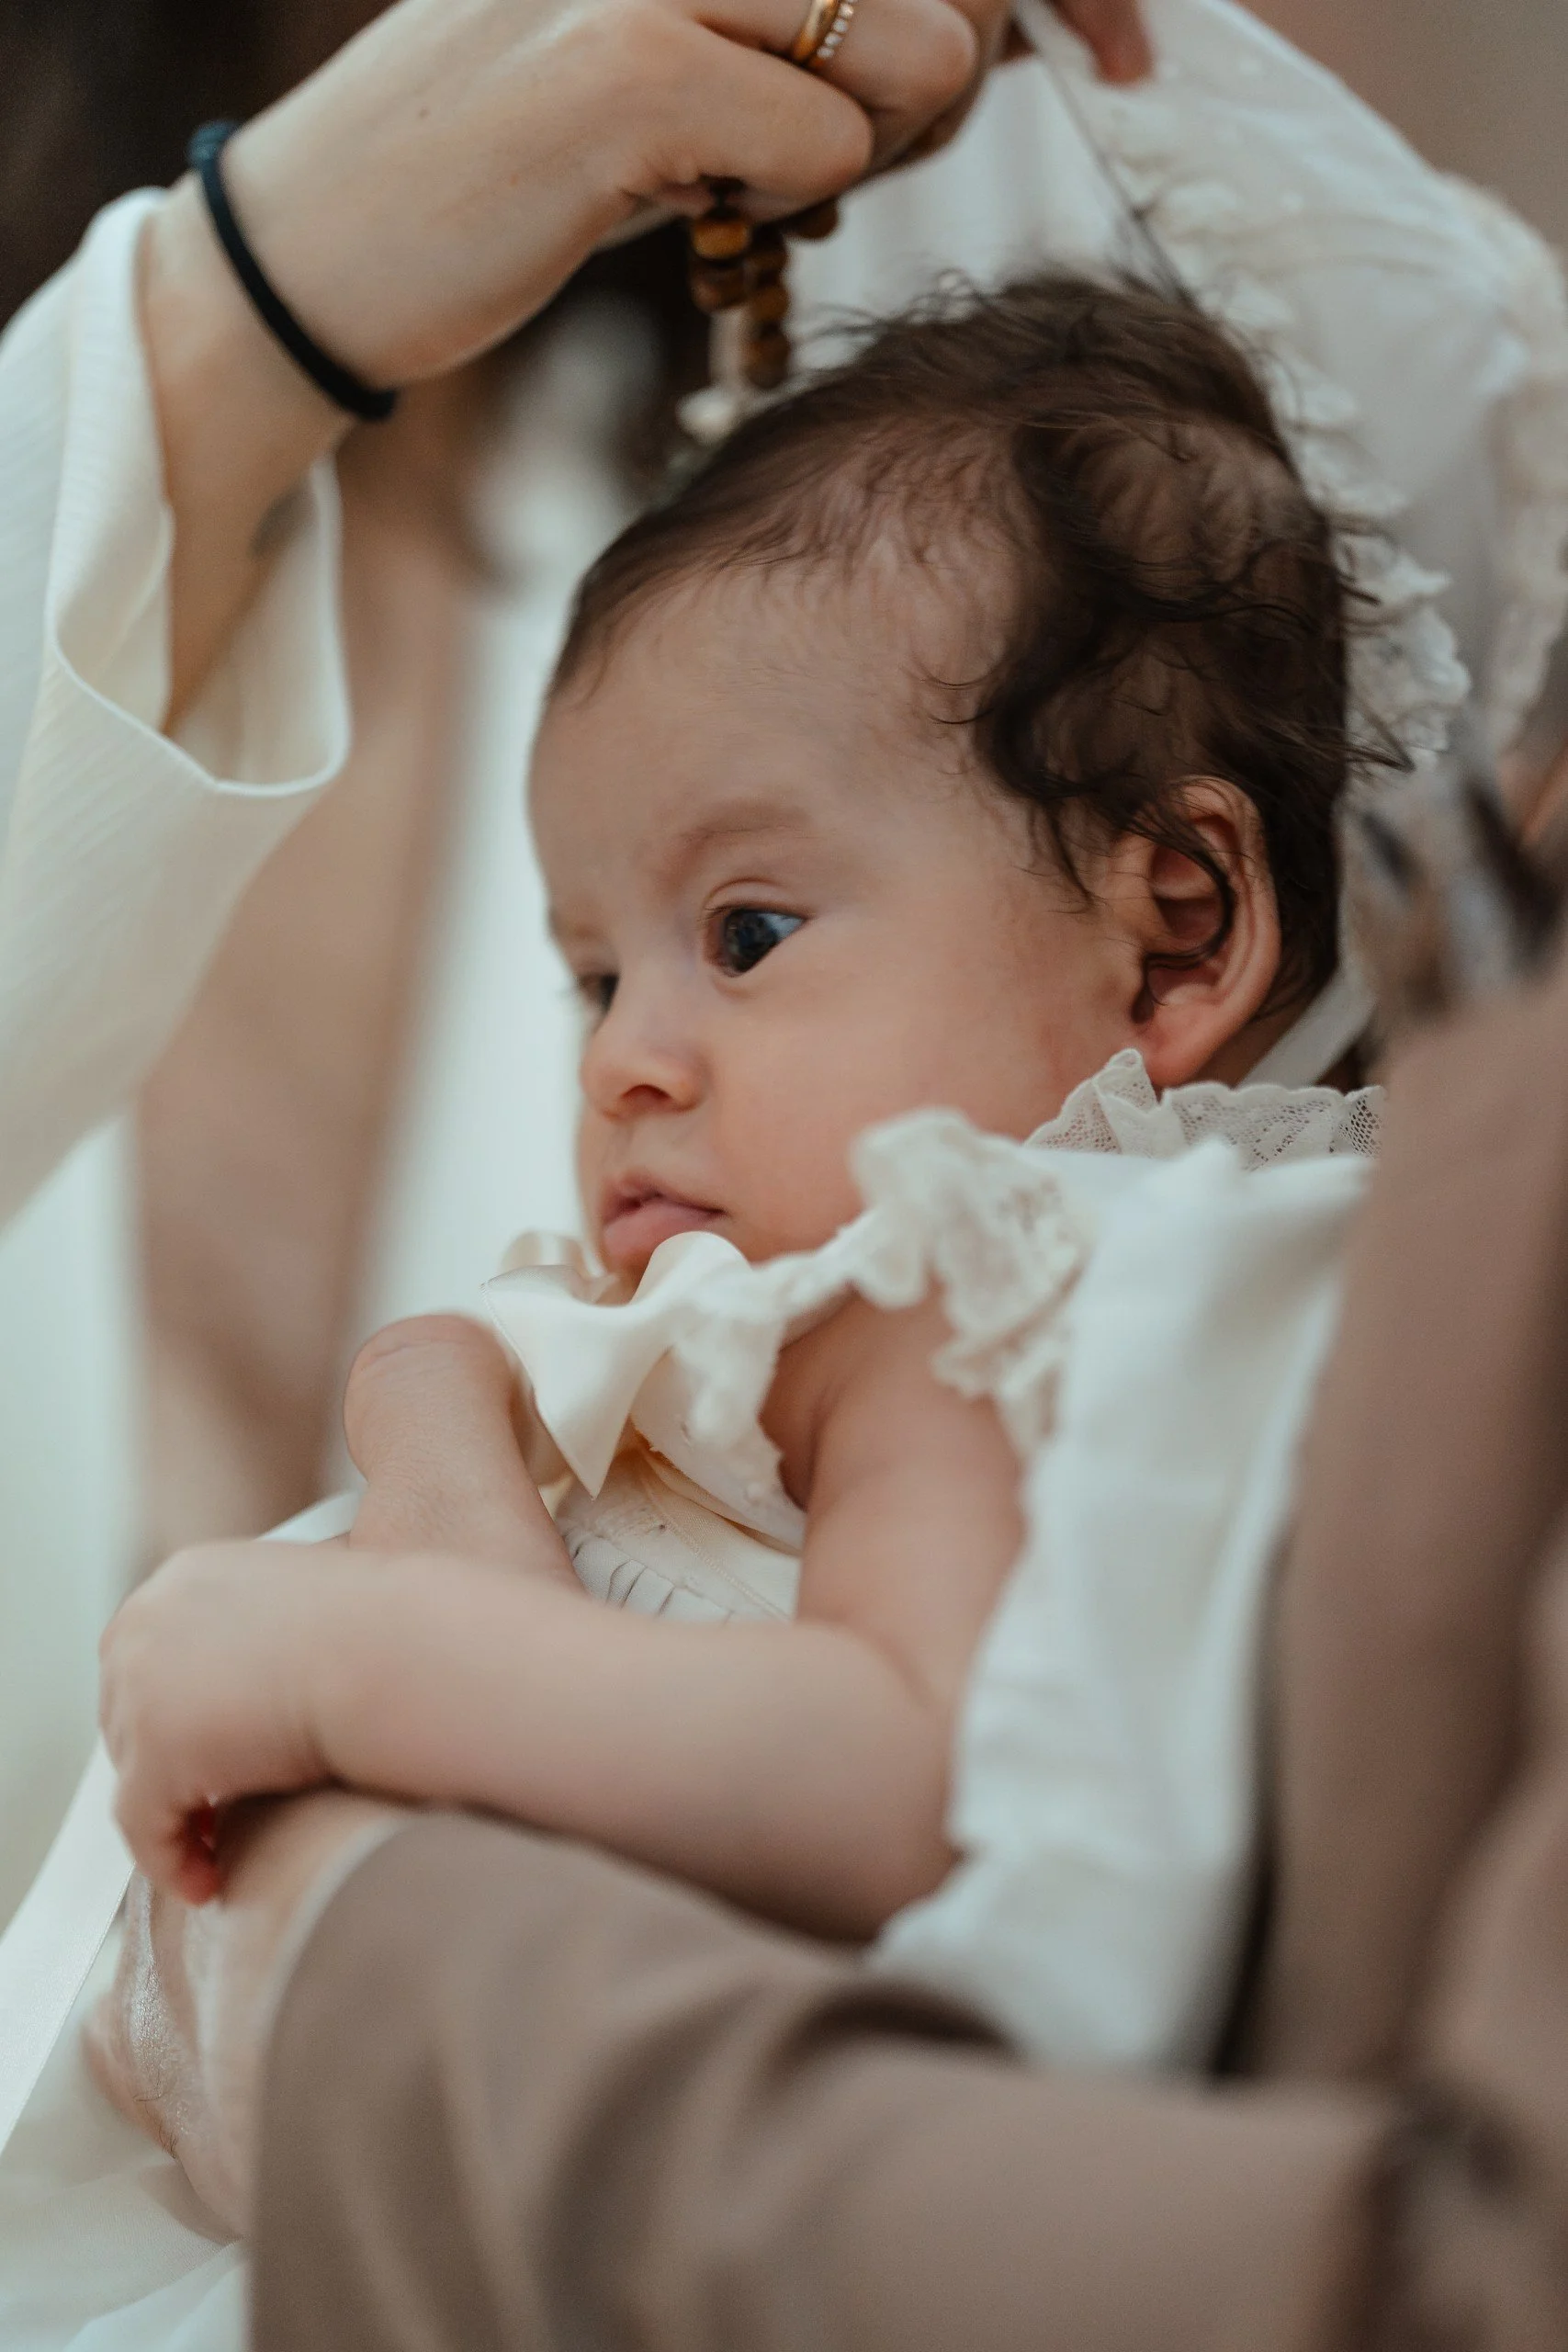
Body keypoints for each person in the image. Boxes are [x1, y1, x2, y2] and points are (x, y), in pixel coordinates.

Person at [98, 267, 1380, 2031]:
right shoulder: (916, 1309)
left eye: (749, 933)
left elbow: (906, 1785)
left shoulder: (979, 1288)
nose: (623, 1057)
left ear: (1168, 938)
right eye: (594, 974)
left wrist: (347, 1663)